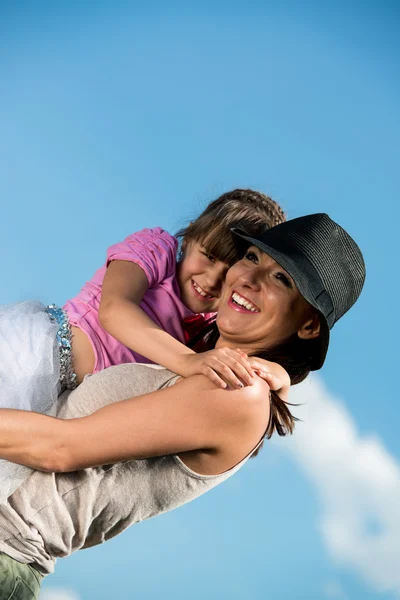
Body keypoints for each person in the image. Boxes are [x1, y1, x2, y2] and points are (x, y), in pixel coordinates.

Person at [0, 213, 365, 599]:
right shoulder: (196, 364)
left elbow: (61, 448)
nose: (248, 278)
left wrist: (276, 375)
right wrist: (280, 371)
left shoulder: (239, 395)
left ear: (308, 326)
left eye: (282, 279)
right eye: (253, 257)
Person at [0, 189, 285, 502]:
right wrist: (189, 361)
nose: (211, 280)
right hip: (34, 355)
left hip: (59, 403)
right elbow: (115, 309)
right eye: (209, 256)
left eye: (227, 270)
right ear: (190, 237)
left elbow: (230, 386)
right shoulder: (157, 250)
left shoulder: (207, 327)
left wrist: (280, 379)